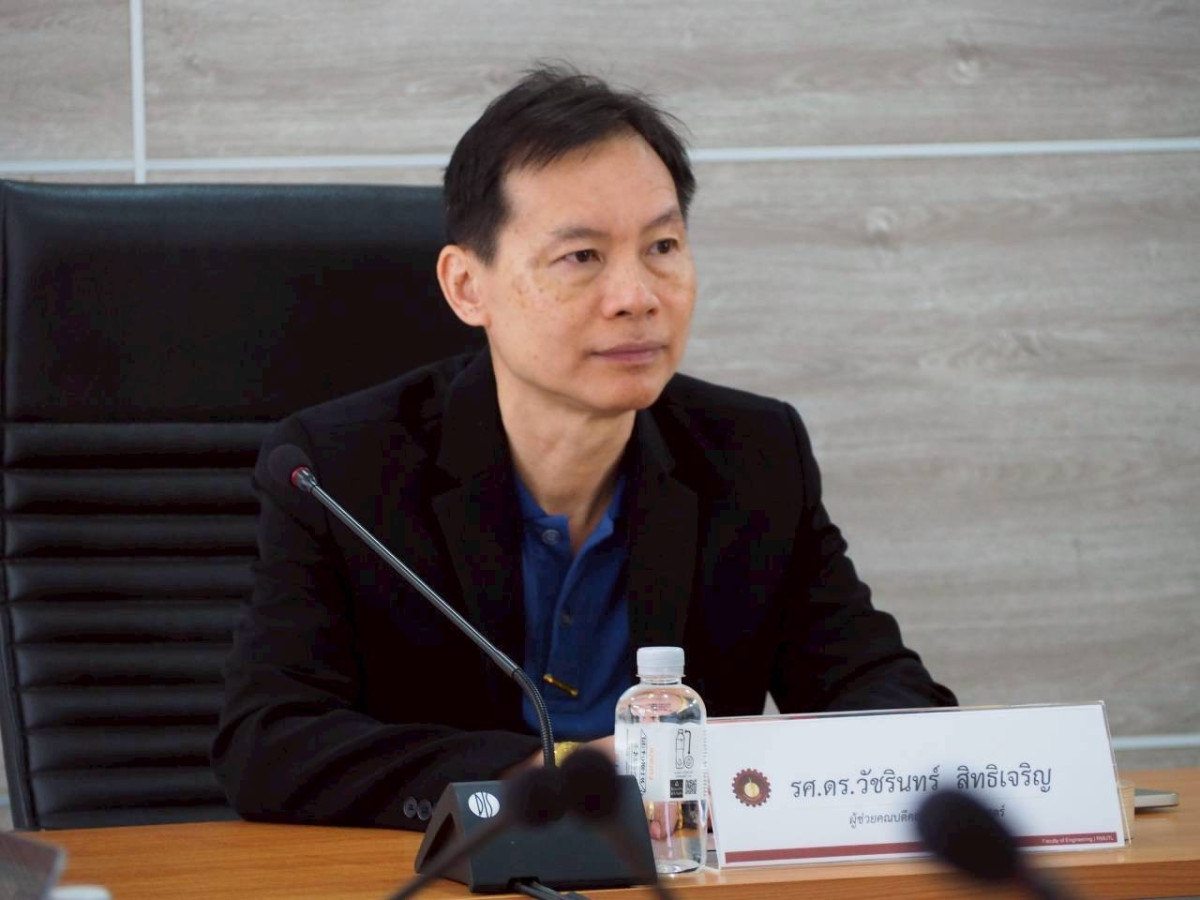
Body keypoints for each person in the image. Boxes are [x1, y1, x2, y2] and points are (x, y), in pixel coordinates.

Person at [212, 65, 955, 831]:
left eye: (662, 245)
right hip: (453, 870)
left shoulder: (753, 456)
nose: (637, 297)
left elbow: (887, 696)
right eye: (582, 257)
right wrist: (543, 774)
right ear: (467, 286)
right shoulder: (338, 470)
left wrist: (761, 768)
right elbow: (268, 743)